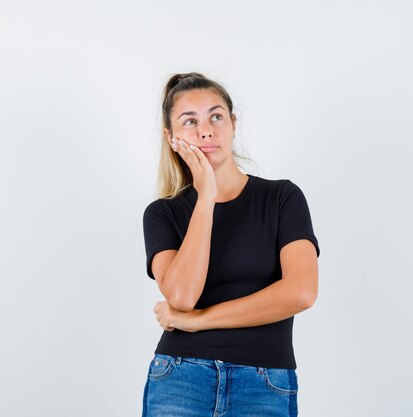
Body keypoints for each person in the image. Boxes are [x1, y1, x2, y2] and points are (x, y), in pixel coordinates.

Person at [141, 72, 320, 417]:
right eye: (189, 121)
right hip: (180, 377)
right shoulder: (163, 214)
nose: (205, 130)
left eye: (216, 116)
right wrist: (205, 195)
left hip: (264, 381)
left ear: (233, 124)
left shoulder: (281, 198)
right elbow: (181, 297)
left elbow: (301, 292)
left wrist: (198, 321)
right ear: (171, 136)